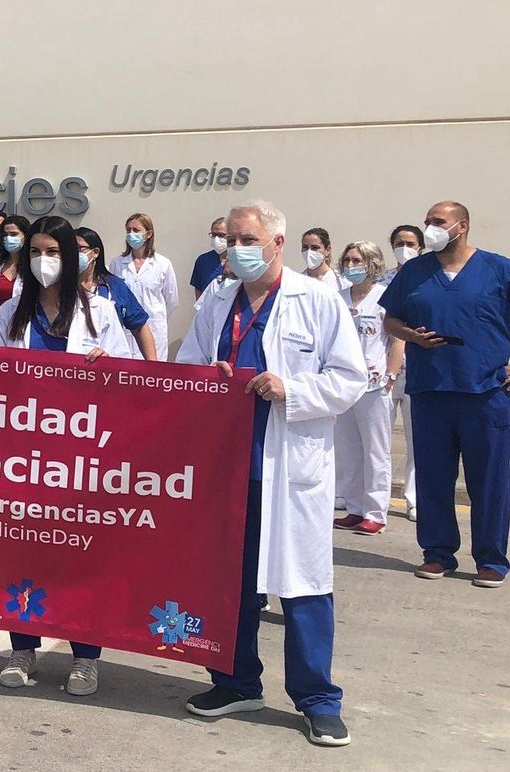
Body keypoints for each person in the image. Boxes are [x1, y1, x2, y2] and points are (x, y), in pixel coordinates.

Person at [176, 198, 363, 748]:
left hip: (289, 467)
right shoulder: (218, 298)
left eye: (247, 240)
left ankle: (317, 699)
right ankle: (235, 682)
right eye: (230, 239)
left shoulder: (317, 299)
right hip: (229, 467)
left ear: (278, 243)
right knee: (230, 584)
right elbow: (187, 362)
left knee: (303, 586)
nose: (235, 250)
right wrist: (208, 375)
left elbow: (349, 378)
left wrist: (293, 389)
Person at [0, 215, 138, 697]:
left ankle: (85, 657)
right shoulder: (11, 312)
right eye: (35, 252)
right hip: (23, 459)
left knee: (78, 557)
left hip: (78, 461)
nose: (42, 261)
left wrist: (111, 367)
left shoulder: (100, 312)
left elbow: (132, 383)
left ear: (72, 258)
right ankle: (23, 647)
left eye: (52, 252)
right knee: (23, 553)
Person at [381, 201, 510, 588]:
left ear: (462, 226)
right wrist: (412, 336)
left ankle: (491, 559)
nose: (430, 228)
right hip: (431, 388)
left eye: (437, 222)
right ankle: (438, 554)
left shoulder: (497, 269)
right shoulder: (416, 272)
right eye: (427, 222)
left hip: (485, 390)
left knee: (489, 478)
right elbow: (391, 319)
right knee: (435, 477)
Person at [331, 242, 403, 536]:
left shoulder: (385, 297)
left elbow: (397, 340)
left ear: (372, 263)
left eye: (357, 260)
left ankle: (376, 512)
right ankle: (355, 508)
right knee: (348, 450)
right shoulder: (337, 298)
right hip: (344, 384)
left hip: (374, 385)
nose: (351, 265)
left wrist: (391, 375)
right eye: (347, 260)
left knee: (375, 452)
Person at [383, 223, 424, 520]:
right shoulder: (382, 280)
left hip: (416, 370)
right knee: (379, 439)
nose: (404, 247)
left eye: (410, 243)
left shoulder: (426, 278)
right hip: (382, 372)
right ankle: (376, 497)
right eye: (399, 242)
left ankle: (414, 498)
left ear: (420, 246)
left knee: (416, 439)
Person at [77, 227, 160, 361]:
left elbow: (139, 327)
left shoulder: (114, 286)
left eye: (80, 248)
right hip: (70, 368)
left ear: (95, 252)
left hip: (109, 363)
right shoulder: (60, 287)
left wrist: (152, 367)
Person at [110, 213, 179, 360]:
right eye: (128, 230)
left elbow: (171, 300)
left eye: (136, 230)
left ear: (148, 234)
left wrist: (156, 318)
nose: (131, 234)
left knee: (152, 375)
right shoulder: (117, 263)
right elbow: (114, 297)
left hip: (154, 329)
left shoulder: (162, 264)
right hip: (127, 331)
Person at [190, 216, 229, 301]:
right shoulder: (203, 261)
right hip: (208, 311)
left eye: (221, 235)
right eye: (214, 235)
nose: (216, 239)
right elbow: (198, 289)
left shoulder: (238, 260)